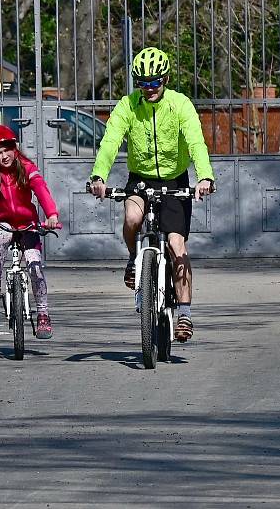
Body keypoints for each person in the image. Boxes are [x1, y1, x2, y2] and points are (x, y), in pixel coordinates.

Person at [88, 46, 215, 343]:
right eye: (142, 83)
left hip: (174, 180)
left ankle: (184, 314)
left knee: (176, 245)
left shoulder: (180, 104)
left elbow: (196, 142)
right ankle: (134, 259)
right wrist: (98, 176)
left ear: (166, 78)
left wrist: (205, 177)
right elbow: (110, 142)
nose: (149, 88)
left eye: (154, 82)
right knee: (132, 217)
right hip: (141, 178)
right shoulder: (127, 106)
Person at [0, 124, 60, 339]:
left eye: (6, 150)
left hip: (28, 223)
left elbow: (40, 188)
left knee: (35, 267)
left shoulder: (26, 167)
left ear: (14, 148)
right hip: (3, 222)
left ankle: (43, 314)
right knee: (4, 235)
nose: (3, 156)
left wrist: (51, 215)